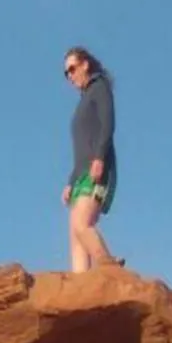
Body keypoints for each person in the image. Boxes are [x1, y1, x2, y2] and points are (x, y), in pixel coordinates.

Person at [63, 46, 122, 272]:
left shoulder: (99, 87)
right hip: (81, 174)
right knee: (75, 233)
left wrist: (99, 157)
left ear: (85, 65)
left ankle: (109, 267)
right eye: (66, 73)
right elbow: (80, 149)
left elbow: (108, 124)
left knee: (82, 223)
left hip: (97, 168)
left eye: (72, 69)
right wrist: (70, 182)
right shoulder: (83, 100)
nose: (69, 76)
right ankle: (81, 284)